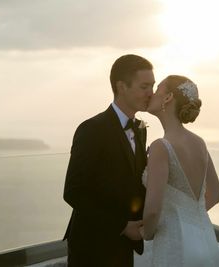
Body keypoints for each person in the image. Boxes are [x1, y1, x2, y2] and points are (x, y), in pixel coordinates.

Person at [63, 54, 155, 266]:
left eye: (153, 86)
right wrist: (122, 226)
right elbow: (74, 191)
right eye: (144, 87)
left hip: (124, 248)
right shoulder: (91, 129)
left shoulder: (140, 129)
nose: (151, 93)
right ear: (121, 86)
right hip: (92, 245)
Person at [140, 75, 219, 266]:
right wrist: (188, 217)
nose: (152, 93)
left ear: (167, 98)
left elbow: (152, 211)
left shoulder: (162, 147)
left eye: (157, 88)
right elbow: (215, 195)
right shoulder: (199, 143)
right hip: (205, 240)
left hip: (174, 244)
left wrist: (147, 234)